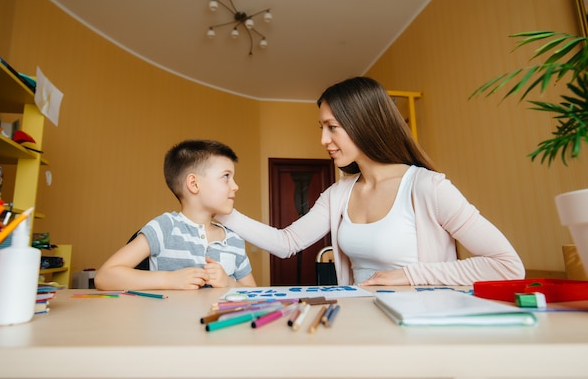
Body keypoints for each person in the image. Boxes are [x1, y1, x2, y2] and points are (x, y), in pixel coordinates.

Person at [216, 77, 525, 286]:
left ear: (362, 124)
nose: (323, 139)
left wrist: (409, 275)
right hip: (359, 322)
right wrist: (221, 212)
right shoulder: (339, 193)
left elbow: (507, 266)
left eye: (332, 127)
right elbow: (288, 243)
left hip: (419, 327)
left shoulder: (428, 187)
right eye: (322, 128)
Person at [95, 139, 257, 290]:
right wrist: (168, 279)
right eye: (226, 176)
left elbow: (255, 293)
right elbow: (105, 277)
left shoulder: (234, 239)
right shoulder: (164, 228)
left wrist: (229, 283)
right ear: (194, 184)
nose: (235, 186)